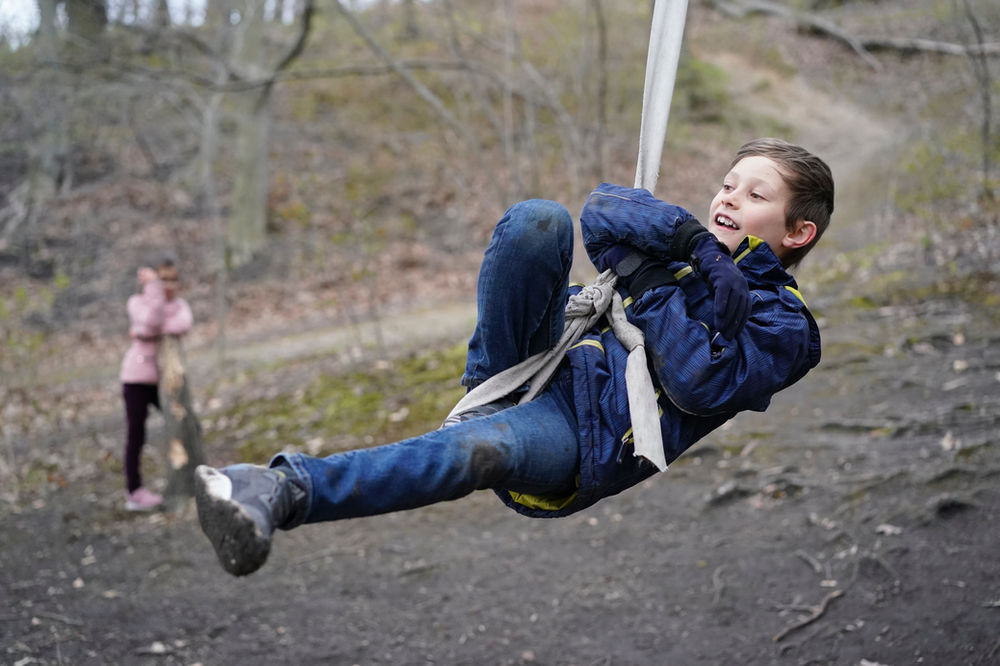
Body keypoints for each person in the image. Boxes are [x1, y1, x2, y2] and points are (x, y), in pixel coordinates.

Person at [194, 137, 833, 576]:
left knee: (481, 451)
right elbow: (601, 212)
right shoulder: (684, 242)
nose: (726, 198)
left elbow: (698, 382)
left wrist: (652, 280)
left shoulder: (786, 326)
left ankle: (275, 489)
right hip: (540, 357)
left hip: (589, 437)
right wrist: (691, 242)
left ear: (797, 231)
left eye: (754, 196)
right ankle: (492, 391)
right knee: (538, 219)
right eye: (727, 184)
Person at [120, 254, 193, 511]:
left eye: (173, 280)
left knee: (187, 425)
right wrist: (153, 291)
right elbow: (151, 322)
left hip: (168, 382)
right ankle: (134, 491)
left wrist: (149, 330)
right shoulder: (137, 302)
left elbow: (181, 323)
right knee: (136, 434)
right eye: (163, 280)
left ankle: (192, 477)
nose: (169, 286)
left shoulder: (180, 305)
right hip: (137, 379)